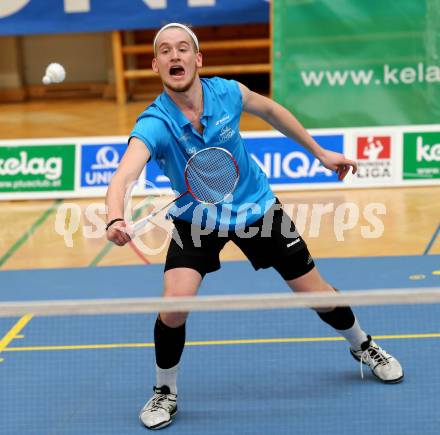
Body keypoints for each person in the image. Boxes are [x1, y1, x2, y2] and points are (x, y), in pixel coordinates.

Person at [105, 23, 403, 430]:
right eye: (165, 51)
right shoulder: (155, 123)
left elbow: (272, 111)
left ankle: (363, 346)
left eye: (182, 49)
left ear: (198, 59)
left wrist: (318, 152)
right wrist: (115, 216)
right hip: (198, 219)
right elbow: (123, 175)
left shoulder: (226, 93)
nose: (175, 56)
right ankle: (164, 391)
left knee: (315, 293)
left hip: (255, 210)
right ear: (155, 64)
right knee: (174, 307)